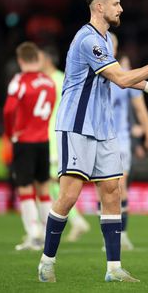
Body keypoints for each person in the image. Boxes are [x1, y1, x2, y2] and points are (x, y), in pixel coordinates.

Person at [37, 0, 148, 283]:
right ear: (99, 7)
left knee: (112, 191)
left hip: (103, 127)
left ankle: (113, 269)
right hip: (77, 126)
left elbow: (119, 76)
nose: (121, 8)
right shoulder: (88, 39)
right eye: (116, 3)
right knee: (70, 195)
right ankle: (47, 261)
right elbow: (120, 79)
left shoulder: (103, 40)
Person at [102, 32, 148, 250]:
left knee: (119, 187)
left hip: (122, 138)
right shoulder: (95, 74)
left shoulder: (126, 76)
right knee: (106, 188)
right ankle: (109, 236)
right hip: (99, 137)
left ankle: (121, 234)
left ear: (115, 49)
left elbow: (139, 108)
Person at [3, 41, 56, 251]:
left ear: (20, 60)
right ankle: (47, 234)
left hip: (24, 140)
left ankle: (33, 233)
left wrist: (10, 132)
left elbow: (8, 110)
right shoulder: (49, 81)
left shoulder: (19, 81)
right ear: (38, 58)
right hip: (43, 140)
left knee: (25, 187)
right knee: (43, 187)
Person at [41, 46, 91, 242]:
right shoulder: (45, 80)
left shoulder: (59, 79)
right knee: (51, 182)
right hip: (45, 135)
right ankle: (75, 220)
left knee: (53, 181)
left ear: (47, 60)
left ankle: (73, 221)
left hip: (55, 136)